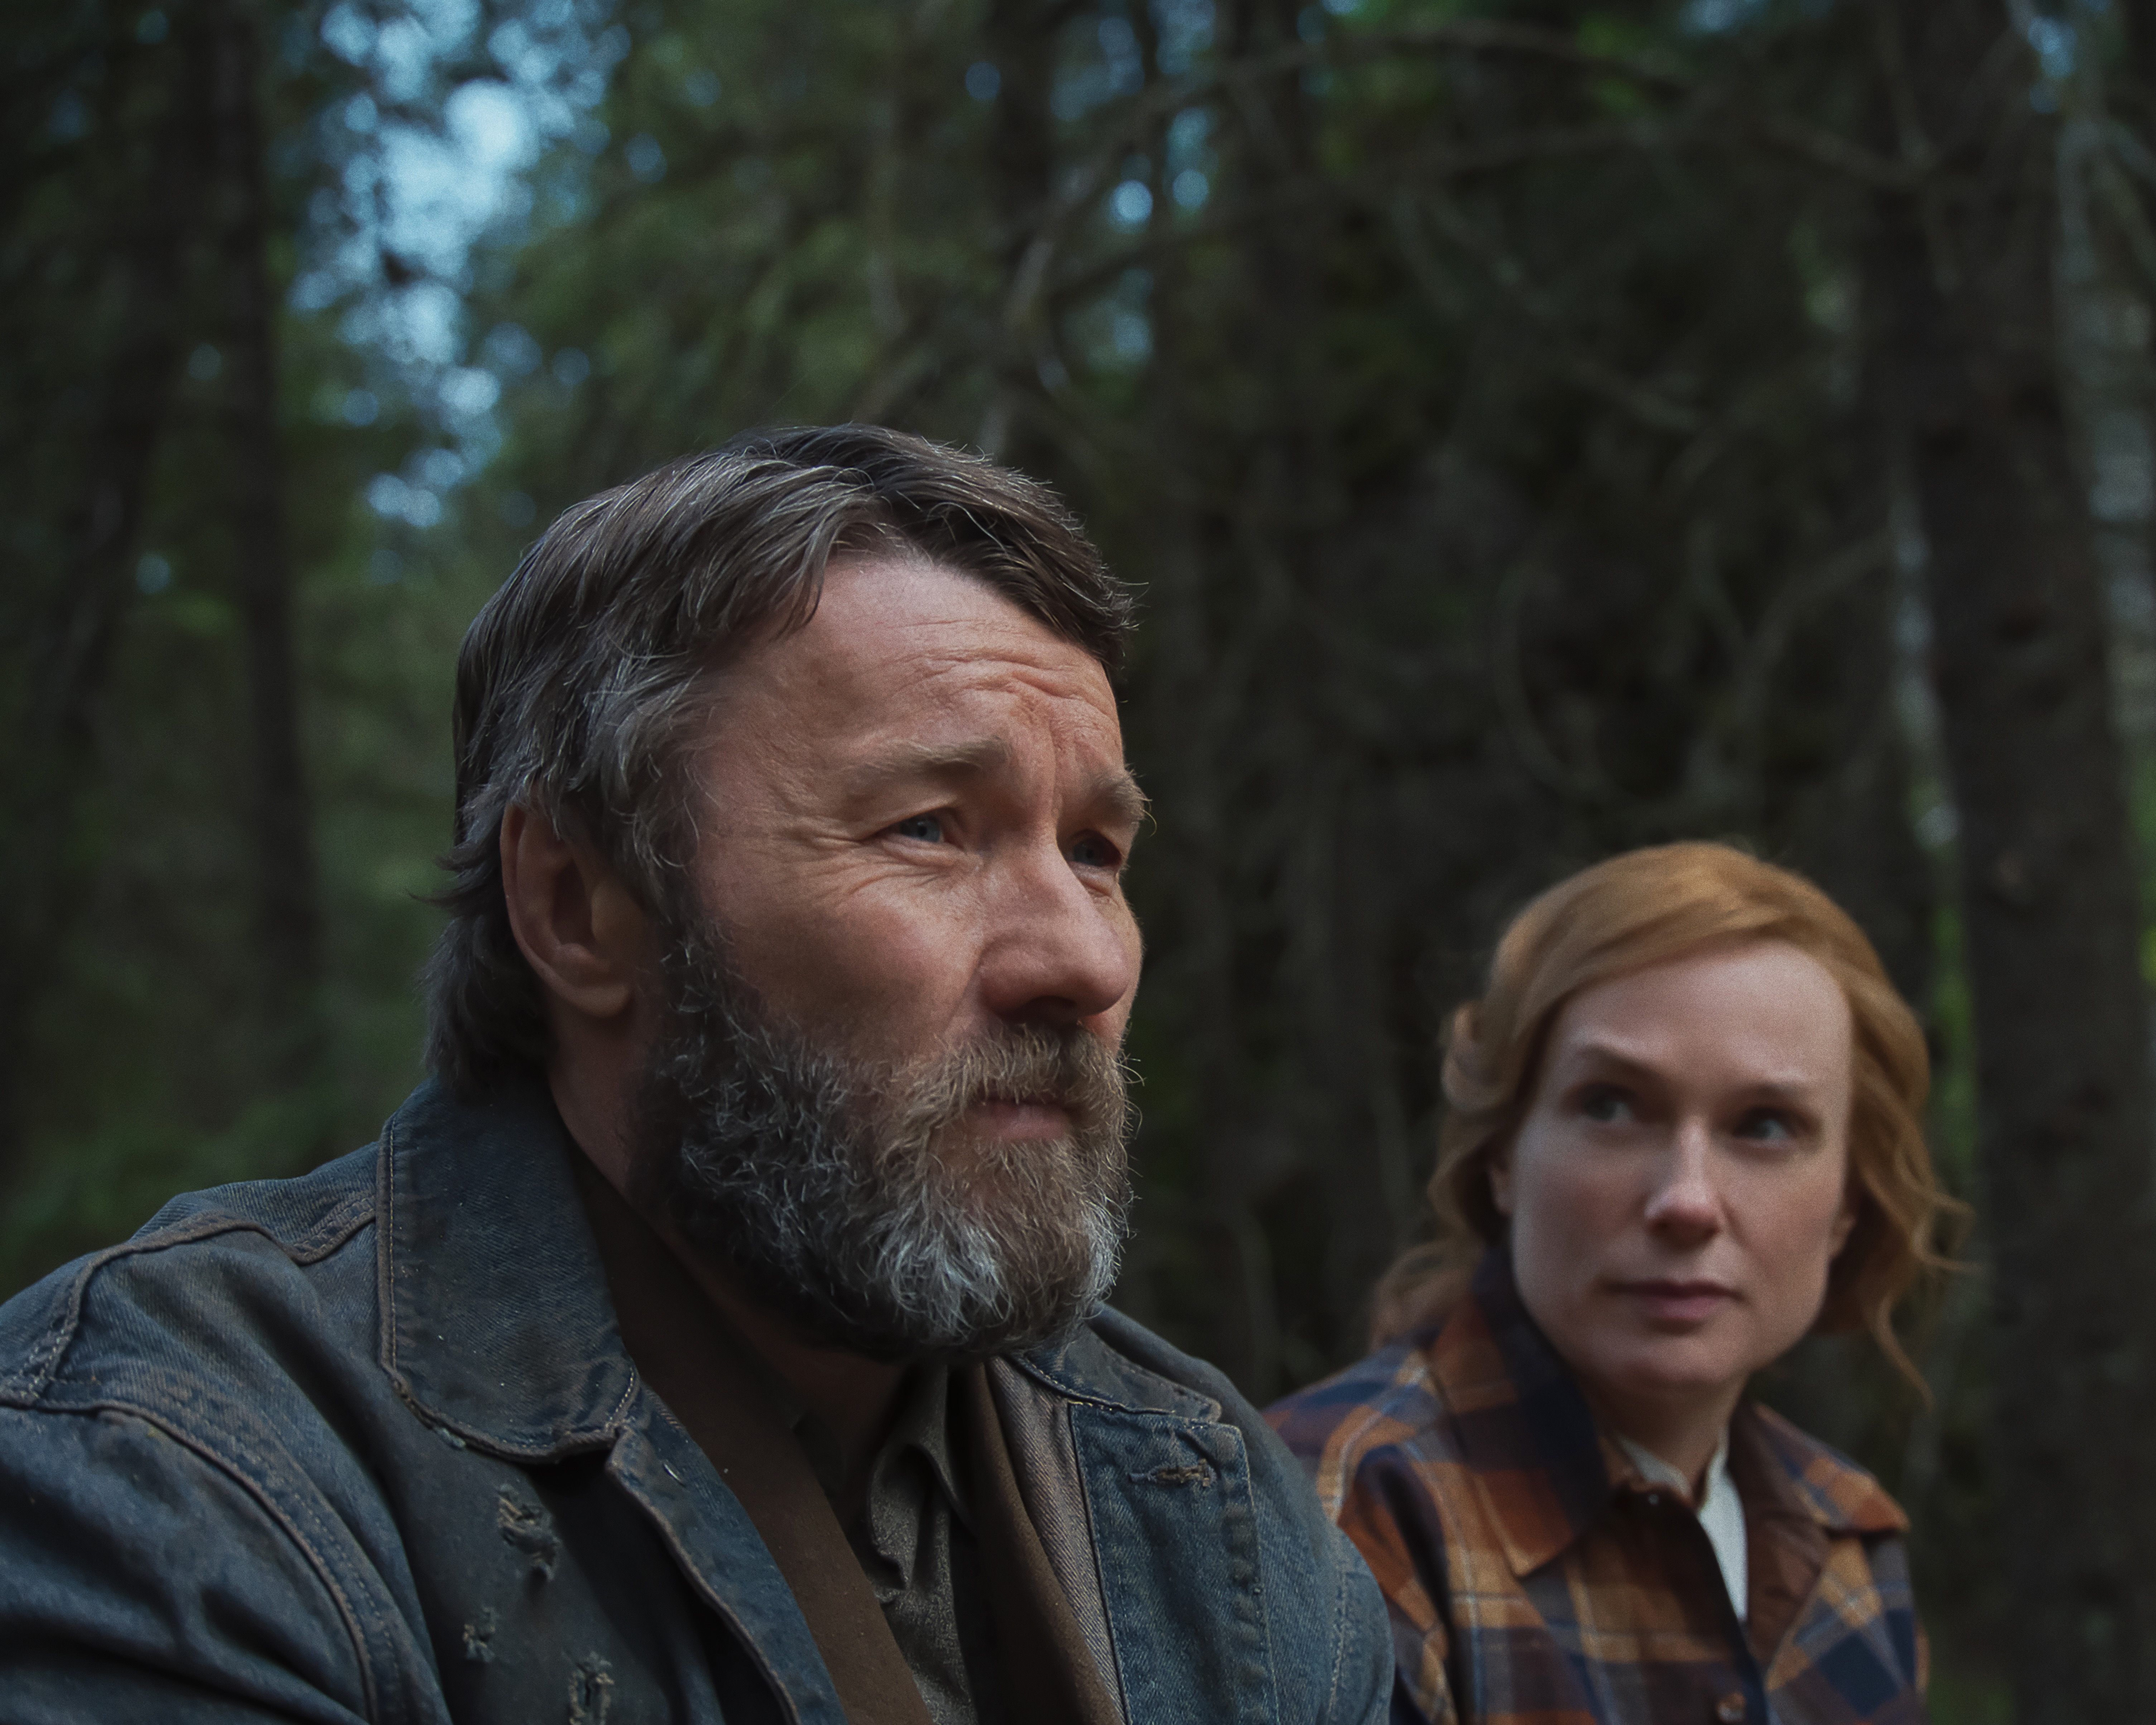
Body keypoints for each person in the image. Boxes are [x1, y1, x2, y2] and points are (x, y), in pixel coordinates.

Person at [0, 424, 1391, 1725]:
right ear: (576, 906)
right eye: (928, 827)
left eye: (1094, 851)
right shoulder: (186, 1468)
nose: (1081, 958)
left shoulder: (1211, 1506)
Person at [1268, 843, 1956, 1725]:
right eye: (1612, 1105)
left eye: (1765, 1125)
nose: (1687, 1200)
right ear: (1504, 1152)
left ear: (1849, 1203)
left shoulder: (1848, 1544)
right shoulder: (1331, 1516)